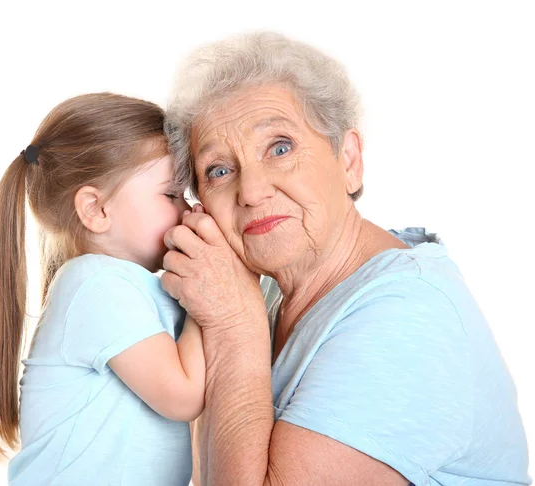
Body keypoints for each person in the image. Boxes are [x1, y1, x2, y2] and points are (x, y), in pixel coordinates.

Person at [161, 32, 531, 485]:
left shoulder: (408, 313)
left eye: (280, 148)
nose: (253, 191)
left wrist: (234, 325)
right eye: (220, 170)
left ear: (350, 159)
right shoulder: (269, 290)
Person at [0, 93, 205, 485]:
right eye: (171, 195)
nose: (188, 208)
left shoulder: (118, 285)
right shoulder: (98, 284)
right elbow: (184, 396)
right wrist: (211, 291)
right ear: (95, 209)